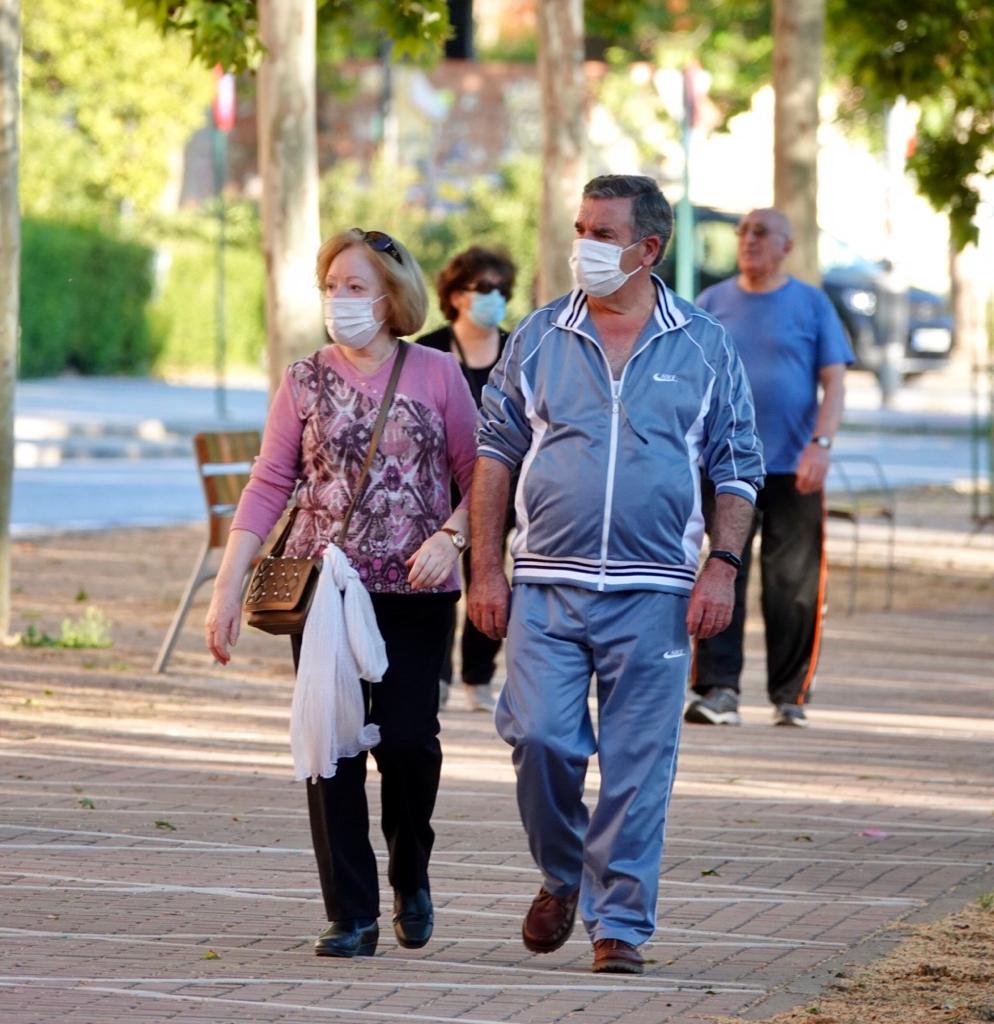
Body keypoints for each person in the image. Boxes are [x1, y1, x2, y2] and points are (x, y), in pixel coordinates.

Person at [468, 175, 765, 975]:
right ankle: (563, 872)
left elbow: (738, 466)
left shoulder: (703, 344)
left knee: (639, 763)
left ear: (649, 249)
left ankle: (620, 927)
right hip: (547, 584)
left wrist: (723, 567)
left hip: (658, 589)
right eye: (581, 229)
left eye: (603, 234)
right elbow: (494, 456)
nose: (585, 248)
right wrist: (485, 569)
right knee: (538, 738)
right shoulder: (538, 336)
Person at [204, 228, 478, 959]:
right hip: (325, 592)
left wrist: (450, 539)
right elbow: (266, 486)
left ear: (394, 296)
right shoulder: (303, 379)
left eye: (357, 287)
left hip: (418, 592)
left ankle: (410, 870)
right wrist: (226, 590)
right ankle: (350, 913)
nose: (341, 300)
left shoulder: (437, 373)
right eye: (331, 285)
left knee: (412, 744)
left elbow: (481, 478)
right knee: (333, 751)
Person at [685, 207, 853, 729]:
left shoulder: (811, 303)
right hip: (725, 466)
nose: (748, 240)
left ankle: (789, 693)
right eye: (742, 232)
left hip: (792, 466)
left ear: (787, 244)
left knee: (793, 584)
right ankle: (718, 690)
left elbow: (835, 382)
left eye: (760, 232)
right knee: (720, 571)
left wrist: (821, 444)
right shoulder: (712, 303)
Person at [418, 246, 517, 712]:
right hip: (436, 491)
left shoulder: (518, 348)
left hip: (497, 489)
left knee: (489, 574)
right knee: (436, 583)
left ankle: (480, 677)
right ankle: (434, 676)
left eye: (502, 290)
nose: (494, 298)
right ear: (457, 295)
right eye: (484, 289)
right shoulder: (428, 352)